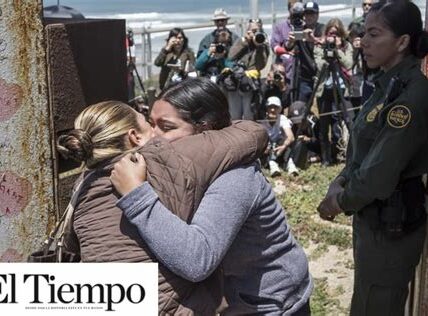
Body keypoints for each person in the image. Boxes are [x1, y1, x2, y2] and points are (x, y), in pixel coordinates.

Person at [111, 78, 313, 315]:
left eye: (166, 127)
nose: (152, 137)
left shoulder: (235, 177)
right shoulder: (182, 170)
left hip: (272, 306)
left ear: (204, 130)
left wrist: (137, 196)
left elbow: (197, 260)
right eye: (151, 124)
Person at [57, 100, 269, 314]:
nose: (157, 133)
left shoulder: (83, 188)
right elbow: (253, 133)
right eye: (148, 123)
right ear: (135, 137)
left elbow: (73, 245)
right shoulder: (168, 157)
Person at [318, 1, 428, 315]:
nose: (363, 42)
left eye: (374, 34)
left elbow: (379, 174)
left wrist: (338, 201)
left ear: (402, 42)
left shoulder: (409, 97)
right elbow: (362, 150)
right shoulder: (385, 84)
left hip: (390, 226)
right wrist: (339, 181)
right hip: (375, 224)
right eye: (364, 33)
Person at [314, 18, 353, 166]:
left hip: (342, 88)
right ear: (326, 34)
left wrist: (337, 50)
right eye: (331, 33)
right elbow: (319, 65)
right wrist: (326, 50)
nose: (333, 36)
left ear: (341, 34)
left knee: (348, 120)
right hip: (324, 89)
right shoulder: (319, 46)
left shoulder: (346, 46)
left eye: (336, 34)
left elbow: (348, 64)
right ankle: (325, 158)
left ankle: (345, 155)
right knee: (324, 125)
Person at [226, 19, 270, 120]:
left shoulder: (263, 43)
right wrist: (244, 42)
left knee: (249, 114)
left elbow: (261, 65)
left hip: (251, 84)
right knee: (234, 115)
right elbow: (230, 56)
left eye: (257, 31)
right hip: (236, 82)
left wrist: (259, 47)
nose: (255, 34)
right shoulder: (242, 41)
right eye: (252, 31)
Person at [261, 96, 298, 177]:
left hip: (282, 147)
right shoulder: (262, 123)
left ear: (280, 109)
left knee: (287, 144)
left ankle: (290, 166)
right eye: (270, 107)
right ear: (267, 109)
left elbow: (291, 137)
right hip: (270, 149)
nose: (273, 110)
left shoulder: (282, 118)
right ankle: (273, 165)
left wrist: (283, 147)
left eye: (275, 107)